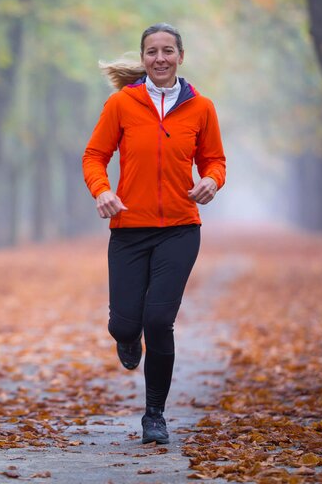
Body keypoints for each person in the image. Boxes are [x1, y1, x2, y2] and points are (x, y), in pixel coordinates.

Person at [82, 22, 226, 444]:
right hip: (129, 228)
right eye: (151, 52)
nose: (159, 58)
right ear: (142, 58)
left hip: (180, 229)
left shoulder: (201, 108)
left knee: (159, 320)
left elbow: (215, 159)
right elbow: (95, 155)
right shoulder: (122, 104)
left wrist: (212, 182)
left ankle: (154, 416)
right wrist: (102, 190)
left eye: (167, 51)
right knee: (124, 326)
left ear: (180, 56)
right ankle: (127, 340)